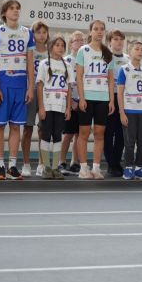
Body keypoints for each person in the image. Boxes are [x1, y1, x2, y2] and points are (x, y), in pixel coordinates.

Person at [0, 0, 34, 180]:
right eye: (11, 8)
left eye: (17, 8)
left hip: (20, 83)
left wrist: (30, 87)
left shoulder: (27, 32)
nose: (15, 11)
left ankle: (12, 166)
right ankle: (0, 165)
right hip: (3, 81)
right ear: (4, 13)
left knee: (16, 126)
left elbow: (30, 62)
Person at [75, 20, 114, 180]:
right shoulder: (83, 50)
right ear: (90, 31)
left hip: (103, 98)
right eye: (96, 29)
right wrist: (81, 98)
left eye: (102, 29)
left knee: (99, 133)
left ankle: (96, 167)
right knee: (83, 133)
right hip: (87, 97)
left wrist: (111, 100)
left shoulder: (108, 53)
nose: (99, 31)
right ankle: (83, 167)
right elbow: (79, 76)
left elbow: (110, 79)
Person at [36, 37, 73, 180]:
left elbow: (69, 87)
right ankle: (46, 167)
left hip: (61, 106)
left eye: (62, 45)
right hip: (47, 105)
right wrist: (41, 107)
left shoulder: (67, 65)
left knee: (58, 136)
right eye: (57, 45)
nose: (60, 48)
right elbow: (40, 86)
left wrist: (68, 108)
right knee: (46, 135)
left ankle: (55, 167)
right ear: (51, 47)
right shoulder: (44, 64)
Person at [117, 40, 142, 180]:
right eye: (137, 49)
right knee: (129, 142)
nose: (140, 52)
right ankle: (128, 167)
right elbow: (120, 93)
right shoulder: (124, 69)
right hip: (129, 110)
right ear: (129, 52)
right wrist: (122, 112)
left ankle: (139, 168)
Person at [23, 20, 49, 177]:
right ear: (32, 34)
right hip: (31, 91)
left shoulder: (51, 52)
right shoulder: (29, 51)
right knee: (28, 128)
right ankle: (26, 164)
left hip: (46, 94)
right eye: (38, 32)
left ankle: (41, 163)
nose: (42, 35)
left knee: (43, 130)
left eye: (44, 32)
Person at [58, 31, 85, 176]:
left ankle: (75, 162)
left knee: (79, 134)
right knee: (68, 134)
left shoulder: (86, 60)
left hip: (82, 101)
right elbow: (64, 83)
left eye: (82, 40)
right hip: (69, 102)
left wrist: (81, 99)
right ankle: (61, 161)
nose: (80, 43)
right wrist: (71, 102)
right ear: (71, 43)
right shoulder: (66, 60)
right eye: (77, 40)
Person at [104, 29, 129, 177]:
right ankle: (110, 163)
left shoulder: (128, 58)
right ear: (109, 42)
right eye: (115, 39)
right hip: (109, 98)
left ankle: (117, 162)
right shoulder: (106, 57)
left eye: (121, 39)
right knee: (108, 132)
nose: (119, 42)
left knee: (121, 133)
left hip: (124, 99)